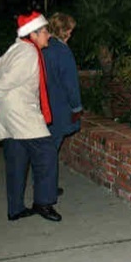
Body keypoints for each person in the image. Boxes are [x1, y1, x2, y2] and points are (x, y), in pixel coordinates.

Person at [0, 11, 61, 222]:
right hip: (21, 113)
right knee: (47, 153)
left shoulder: (19, 48)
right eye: (45, 31)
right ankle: (43, 202)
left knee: (16, 160)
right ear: (33, 34)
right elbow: (5, 80)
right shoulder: (28, 53)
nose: (49, 36)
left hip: (9, 113)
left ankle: (15, 208)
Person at [44, 12, 83, 196]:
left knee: (45, 147)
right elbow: (70, 83)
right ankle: (47, 189)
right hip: (58, 106)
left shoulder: (44, 47)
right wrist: (77, 107)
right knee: (52, 149)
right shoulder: (62, 51)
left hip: (43, 105)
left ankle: (44, 185)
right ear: (65, 30)